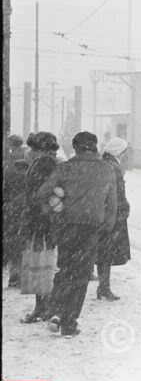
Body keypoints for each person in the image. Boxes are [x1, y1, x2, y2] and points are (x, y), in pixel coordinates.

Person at [36, 131, 116, 336]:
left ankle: (56, 311)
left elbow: (42, 194)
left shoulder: (65, 168)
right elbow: (112, 204)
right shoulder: (107, 170)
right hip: (91, 229)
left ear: (75, 148)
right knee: (81, 274)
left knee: (65, 269)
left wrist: (54, 211)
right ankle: (70, 321)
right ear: (95, 146)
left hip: (67, 226)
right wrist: (106, 225)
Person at [20, 132, 61, 323]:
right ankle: (45, 306)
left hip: (40, 222)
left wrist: (37, 210)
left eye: (33, 148)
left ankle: (42, 307)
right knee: (44, 263)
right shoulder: (51, 163)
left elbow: (38, 194)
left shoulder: (43, 163)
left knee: (40, 264)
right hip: (45, 221)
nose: (30, 152)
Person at [97, 137, 131, 301]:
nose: (126, 156)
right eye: (125, 152)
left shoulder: (103, 163)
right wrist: (124, 209)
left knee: (103, 251)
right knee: (107, 252)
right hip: (113, 214)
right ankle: (104, 288)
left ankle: (103, 287)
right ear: (120, 152)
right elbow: (118, 193)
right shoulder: (115, 167)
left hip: (102, 212)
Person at [3, 136, 31, 287]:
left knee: (13, 244)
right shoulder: (27, 162)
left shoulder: (8, 164)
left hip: (11, 210)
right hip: (24, 209)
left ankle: (15, 275)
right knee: (23, 243)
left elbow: (6, 191)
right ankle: (23, 274)